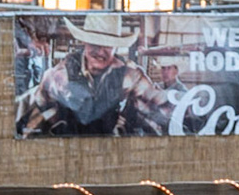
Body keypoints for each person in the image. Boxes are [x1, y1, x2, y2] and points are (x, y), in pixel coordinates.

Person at [14, 13, 174, 136]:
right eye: (94, 43)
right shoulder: (58, 76)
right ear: (84, 42)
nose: (100, 51)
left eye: (107, 45)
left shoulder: (131, 75)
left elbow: (162, 108)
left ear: (116, 47)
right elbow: (36, 111)